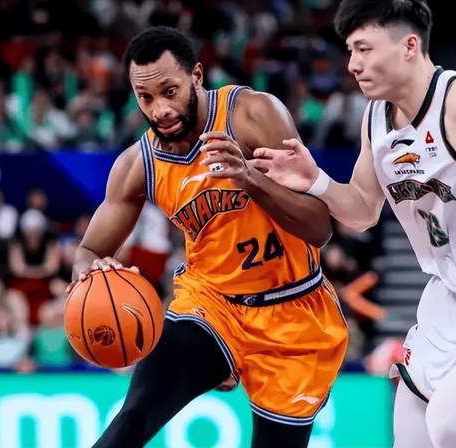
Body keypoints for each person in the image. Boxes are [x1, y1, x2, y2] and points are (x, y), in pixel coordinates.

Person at [250, 1, 456, 447]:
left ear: (409, 46)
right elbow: (362, 212)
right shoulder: (375, 119)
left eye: (364, 48)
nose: (352, 65)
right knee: (412, 438)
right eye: (349, 51)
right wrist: (316, 181)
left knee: (449, 424)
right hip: (449, 301)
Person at [67, 27, 348, 448]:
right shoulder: (138, 164)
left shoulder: (253, 115)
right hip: (211, 305)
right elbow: (89, 250)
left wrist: (250, 179)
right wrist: (91, 269)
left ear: (196, 76)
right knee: (134, 416)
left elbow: (320, 228)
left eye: (169, 91)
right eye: (146, 98)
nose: (160, 109)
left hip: (293, 308)